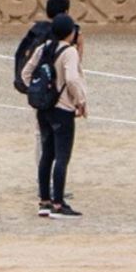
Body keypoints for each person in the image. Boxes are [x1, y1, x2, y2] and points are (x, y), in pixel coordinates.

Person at [20, 11, 87, 219]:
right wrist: (80, 101)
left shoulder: (43, 48)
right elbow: (73, 79)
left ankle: (45, 201)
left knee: (47, 154)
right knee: (62, 156)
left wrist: (38, 92)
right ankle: (58, 203)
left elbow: (25, 74)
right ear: (70, 33)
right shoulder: (69, 52)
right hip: (63, 110)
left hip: (44, 109)